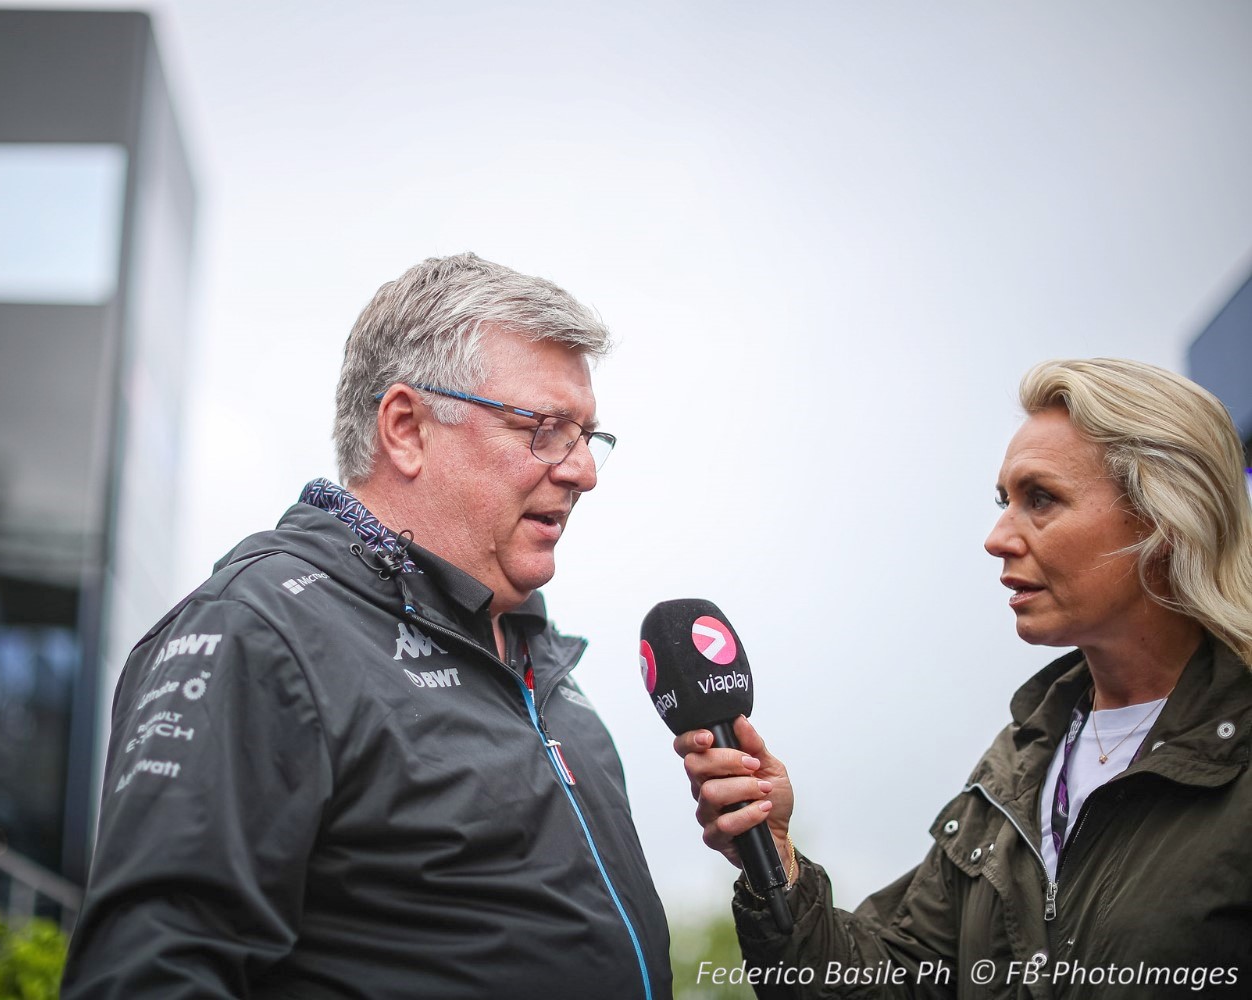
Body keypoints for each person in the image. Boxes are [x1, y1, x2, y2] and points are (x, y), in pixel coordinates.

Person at [63, 253, 671, 998]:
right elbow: (154, 974)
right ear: (407, 428)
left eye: (586, 435)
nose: (584, 472)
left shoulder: (543, 669)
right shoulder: (260, 632)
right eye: (545, 429)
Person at [676, 358, 1252, 998]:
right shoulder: (1018, 766)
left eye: (1041, 499)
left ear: (1164, 519)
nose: (997, 537)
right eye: (1004, 501)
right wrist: (775, 859)